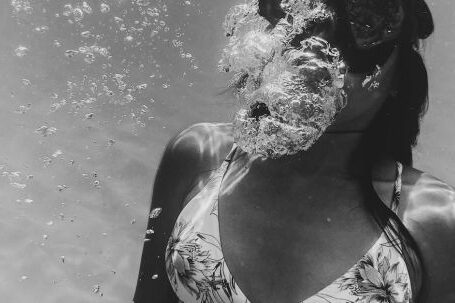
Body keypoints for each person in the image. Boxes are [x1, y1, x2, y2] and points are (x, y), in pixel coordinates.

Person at [133, 0, 455, 302]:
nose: (320, 45)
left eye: (364, 20)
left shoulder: (436, 223)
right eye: (310, 17)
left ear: (400, 75)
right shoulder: (199, 155)